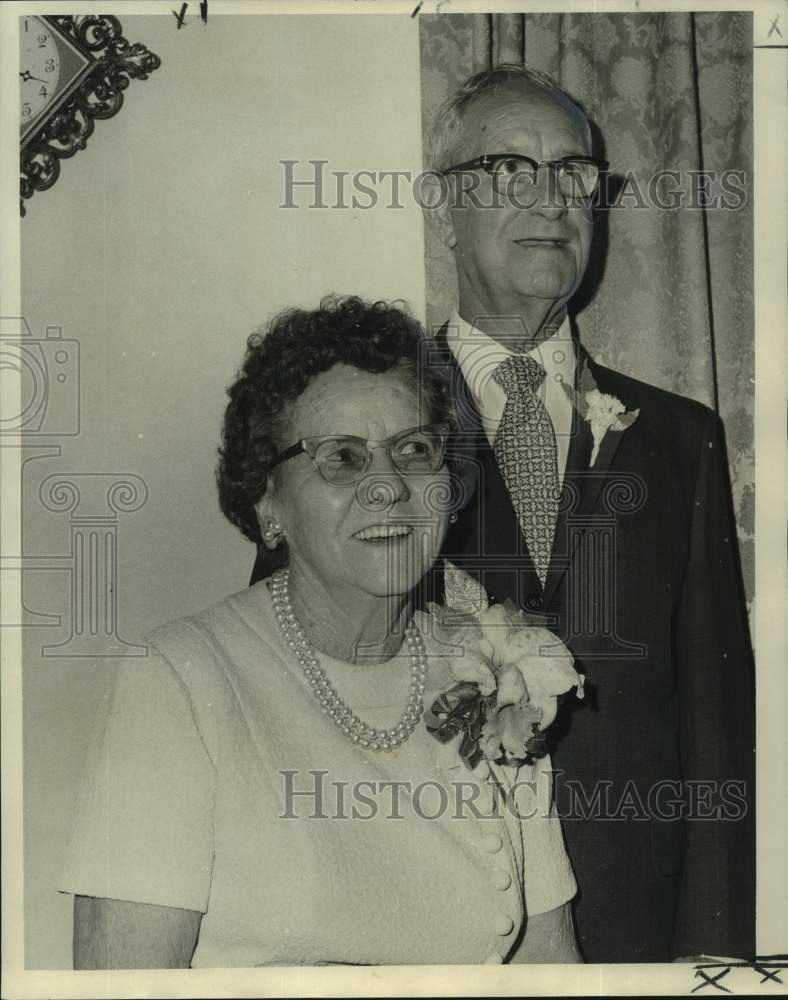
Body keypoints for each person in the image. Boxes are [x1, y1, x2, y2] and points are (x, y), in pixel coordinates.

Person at [61, 296, 582, 968]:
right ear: (268, 501)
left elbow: (549, 963)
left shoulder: (497, 666)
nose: (388, 486)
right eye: (341, 458)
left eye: (415, 450)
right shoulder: (178, 682)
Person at [412, 64, 756, 964]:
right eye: (511, 171)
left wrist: (713, 961)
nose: (552, 198)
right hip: (428, 912)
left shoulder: (681, 439)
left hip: (631, 923)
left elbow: (716, 725)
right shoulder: (369, 423)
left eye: (574, 173)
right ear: (439, 205)